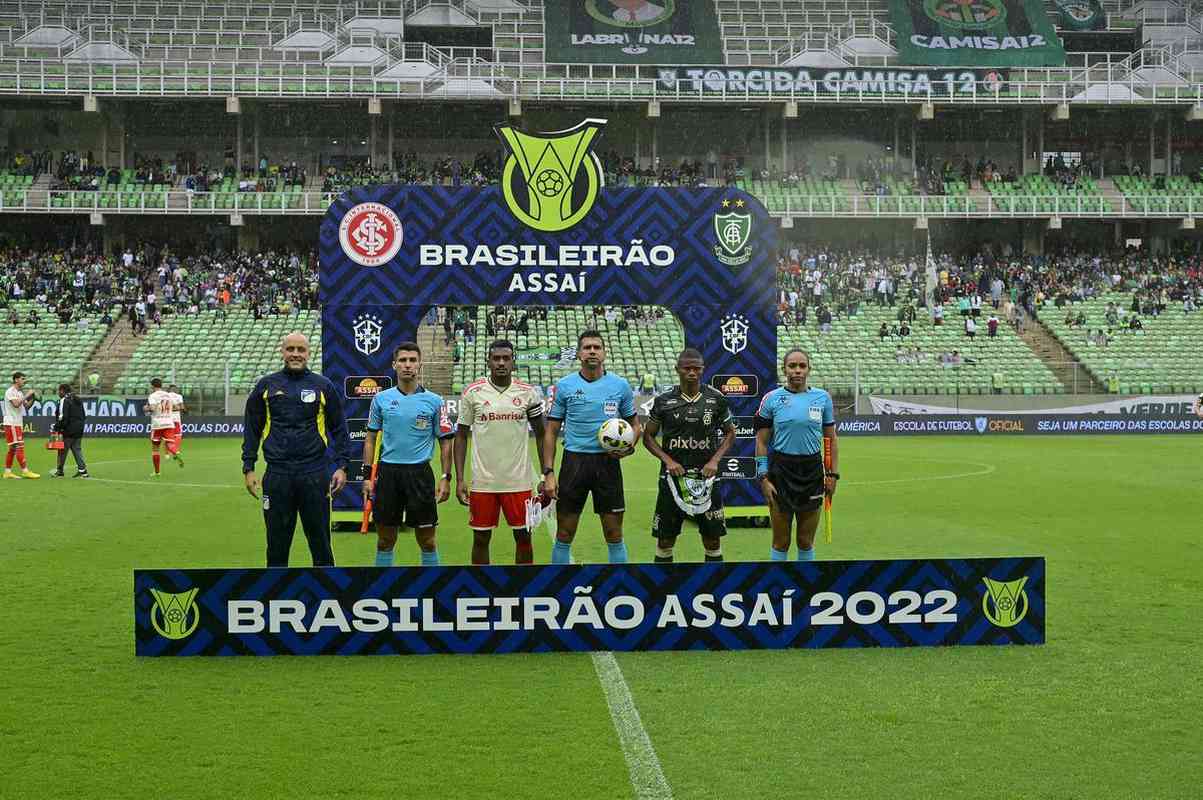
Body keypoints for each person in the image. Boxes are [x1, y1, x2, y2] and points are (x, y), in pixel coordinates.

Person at [242, 332, 351, 567]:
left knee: (320, 543)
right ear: (282, 352)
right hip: (277, 475)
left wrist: (342, 466)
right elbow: (252, 427)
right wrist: (248, 467)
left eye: (300, 350)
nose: (295, 354)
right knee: (276, 544)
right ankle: (276, 596)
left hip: (314, 474)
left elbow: (339, 428)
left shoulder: (323, 386)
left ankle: (326, 594)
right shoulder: (266, 385)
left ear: (308, 353)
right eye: (290, 349)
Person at [542, 330, 640, 565]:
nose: (592, 351)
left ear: (604, 353)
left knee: (614, 533)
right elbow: (551, 431)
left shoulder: (620, 385)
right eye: (587, 347)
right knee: (564, 533)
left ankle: (619, 586)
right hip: (574, 462)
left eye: (597, 347)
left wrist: (628, 447)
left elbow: (636, 426)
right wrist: (549, 472)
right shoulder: (564, 386)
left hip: (608, 463)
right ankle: (559, 586)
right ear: (578, 354)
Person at [453, 339, 547, 565]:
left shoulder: (528, 393)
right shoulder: (472, 393)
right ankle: (481, 592)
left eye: (506, 358)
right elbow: (461, 435)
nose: (501, 363)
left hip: (519, 483)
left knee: (524, 538)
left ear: (513, 362)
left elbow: (542, 434)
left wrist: (546, 474)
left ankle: (523, 590)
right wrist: (459, 479)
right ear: (488, 361)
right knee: (481, 539)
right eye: (496, 358)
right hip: (483, 483)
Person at [361, 342, 453, 567]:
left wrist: (445, 477)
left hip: (420, 474)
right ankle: (382, 591)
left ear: (420, 364)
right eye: (403, 360)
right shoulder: (380, 399)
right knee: (384, 540)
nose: (408, 365)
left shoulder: (434, 401)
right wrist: (366, 476)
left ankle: (432, 591)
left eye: (412, 360)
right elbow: (371, 439)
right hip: (389, 474)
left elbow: (445, 442)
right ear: (394, 365)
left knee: (428, 541)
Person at [641, 348, 736, 563]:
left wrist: (714, 460)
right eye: (687, 368)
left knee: (712, 540)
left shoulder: (716, 399)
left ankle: (713, 590)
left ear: (702, 370)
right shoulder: (663, 401)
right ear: (677, 370)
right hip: (672, 478)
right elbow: (648, 437)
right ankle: (663, 591)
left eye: (696, 368)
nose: (692, 372)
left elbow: (731, 434)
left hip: (707, 478)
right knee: (665, 540)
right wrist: (668, 461)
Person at [754, 349, 838, 561]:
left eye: (802, 366)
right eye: (792, 366)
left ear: (809, 369)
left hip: (812, 472)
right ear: (784, 369)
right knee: (780, 542)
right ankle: (779, 587)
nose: (797, 370)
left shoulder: (822, 398)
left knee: (805, 541)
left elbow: (831, 439)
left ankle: (805, 588)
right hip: (781, 471)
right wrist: (763, 477)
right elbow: (761, 441)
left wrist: (832, 475)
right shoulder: (771, 399)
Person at [3, 372, 39, 479]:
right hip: (12, 423)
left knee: (13, 449)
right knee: (19, 446)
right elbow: (16, 404)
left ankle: (7, 472)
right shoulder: (10, 391)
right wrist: (27, 394)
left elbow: (26, 406)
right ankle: (25, 471)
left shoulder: (19, 392)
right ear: (16, 380)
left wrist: (33, 398)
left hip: (16, 423)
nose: (24, 381)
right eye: (22, 379)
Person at [144, 378, 183, 475]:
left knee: (155, 449)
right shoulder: (168, 395)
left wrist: (146, 408)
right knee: (169, 443)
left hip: (157, 424)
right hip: (169, 423)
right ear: (161, 385)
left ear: (152, 386)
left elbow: (152, 408)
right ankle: (175, 452)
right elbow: (177, 407)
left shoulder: (152, 396)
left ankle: (157, 472)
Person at [50, 383, 88, 478]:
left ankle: (60, 471)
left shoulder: (64, 400)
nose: (58, 393)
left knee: (62, 450)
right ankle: (83, 471)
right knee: (77, 449)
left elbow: (63, 417)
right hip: (79, 429)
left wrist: (57, 427)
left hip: (68, 430)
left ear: (62, 391)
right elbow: (83, 415)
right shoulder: (77, 399)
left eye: (59, 391)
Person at [168, 383, 186, 456]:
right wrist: (183, 409)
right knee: (178, 435)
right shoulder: (179, 396)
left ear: (169, 389)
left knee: (168, 435)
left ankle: (167, 453)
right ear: (174, 389)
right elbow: (182, 407)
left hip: (168, 417)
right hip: (176, 418)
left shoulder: (166, 396)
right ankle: (176, 450)